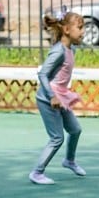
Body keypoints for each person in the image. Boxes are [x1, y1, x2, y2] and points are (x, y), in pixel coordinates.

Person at [29, 11, 87, 185]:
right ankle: (37, 173)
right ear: (67, 30)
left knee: (75, 130)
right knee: (57, 138)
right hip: (48, 100)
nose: (83, 32)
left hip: (60, 97)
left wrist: (61, 94)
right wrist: (52, 96)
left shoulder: (71, 49)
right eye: (80, 27)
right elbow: (43, 74)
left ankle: (69, 161)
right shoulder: (58, 51)